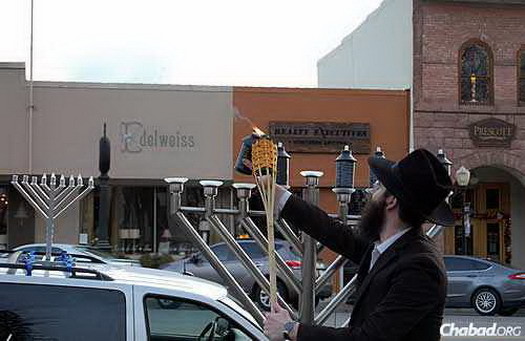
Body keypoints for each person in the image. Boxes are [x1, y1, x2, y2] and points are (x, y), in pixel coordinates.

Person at [264, 149, 454, 341]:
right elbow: (333, 232)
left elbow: (368, 338)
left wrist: (291, 328)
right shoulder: (388, 246)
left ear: (391, 200)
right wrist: (277, 194)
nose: (371, 192)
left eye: (378, 187)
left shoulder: (420, 267)